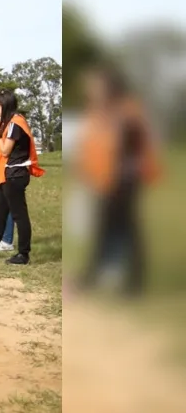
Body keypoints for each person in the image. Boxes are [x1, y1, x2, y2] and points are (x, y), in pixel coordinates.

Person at [76, 64, 161, 296]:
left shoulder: (125, 111)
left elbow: (125, 148)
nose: (91, 90)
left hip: (123, 180)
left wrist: (111, 177)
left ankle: (126, 281)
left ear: (109, 87)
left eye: (95, 86)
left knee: (122, 228)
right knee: (111, 228)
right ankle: (101, 275)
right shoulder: (103, 111)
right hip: (107, 179)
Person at [0, 89, 45, 265]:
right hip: (7, 175)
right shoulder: (8, 122)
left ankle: (23, 254)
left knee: (19, 214)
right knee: (0, 213)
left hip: (15, 175)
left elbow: (6, 149)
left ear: (4, 104)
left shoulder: (15, 122)